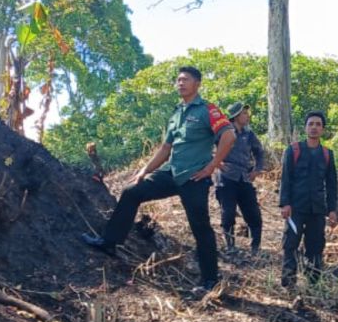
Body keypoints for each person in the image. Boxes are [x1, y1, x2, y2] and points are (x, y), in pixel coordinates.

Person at [80, 66, 235, 291]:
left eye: (186, 80)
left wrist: (211, 166)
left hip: (194, 177)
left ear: (197, 84)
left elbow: (229, 136)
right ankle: (109, 242)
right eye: (178, 80)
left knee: (200, 228)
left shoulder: (207, 110)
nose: (180, 83)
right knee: (132, 191)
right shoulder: (177, 113)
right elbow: (165, 148)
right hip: (171, 172)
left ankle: (210, 280)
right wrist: (144, 170)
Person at [279, 110, 338, 287]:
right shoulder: (293, 150)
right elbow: (285, 179)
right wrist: (285, 203)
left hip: (317, 210)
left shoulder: (327, 154)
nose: (314, 127)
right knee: (290, 244)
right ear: (305, 127)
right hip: (295, 208)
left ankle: (313, 283)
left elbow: (332, 184)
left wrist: (332, 209)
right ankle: (288, 283)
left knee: (316, 246)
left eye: (318, 124)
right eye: (311, 124)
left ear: (323, 129)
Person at [215, 101, 265, 256]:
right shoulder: (223, 132)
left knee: (254, 214)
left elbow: (259, 152)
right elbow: (208, 147)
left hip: (244, 177)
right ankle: (230, 246)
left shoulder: (249, 134)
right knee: (228, 213)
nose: (247, 116)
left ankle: (255, 248)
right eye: (244, 113)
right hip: (226, 177)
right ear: (235, 116)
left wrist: (257, 170)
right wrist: (218, 163)